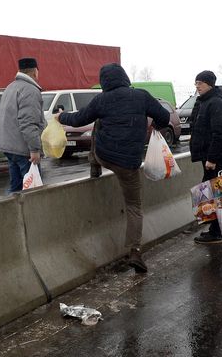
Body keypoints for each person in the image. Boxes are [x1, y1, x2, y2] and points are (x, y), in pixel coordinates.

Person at [58, 63, 170, 273]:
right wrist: (154, 123)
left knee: (97, 126)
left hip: (105, 157)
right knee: (134, 207)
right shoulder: (141, 96)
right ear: (125, 78)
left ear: (104, 82)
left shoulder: (101, 100)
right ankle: (135, 251)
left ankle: (93, 165)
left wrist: (61, 116)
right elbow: (164, 117)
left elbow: (78, 119)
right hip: (129, 163)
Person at [0, 57, 46, 193]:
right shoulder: (30, 90)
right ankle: (33, 214)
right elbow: (28, 122)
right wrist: (35, 149)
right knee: (32, 190)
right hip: (24, 149)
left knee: (16, 189)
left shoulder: (10, 87)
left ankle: (11, 213)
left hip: (9, 146)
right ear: (35, 72)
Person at [189, 70, 222, 245]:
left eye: (200, 83)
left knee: (215, 195)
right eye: (196, 83)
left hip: (213, 158)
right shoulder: (205, 102)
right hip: (206, 156)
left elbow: (219, 133)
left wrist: (212, 158)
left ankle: (217, 232)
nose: (197, 86)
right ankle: (215, 230)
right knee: (212, 195)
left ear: (210, 84)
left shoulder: (216, 103)